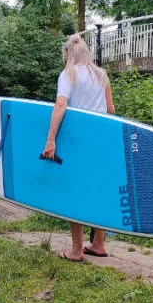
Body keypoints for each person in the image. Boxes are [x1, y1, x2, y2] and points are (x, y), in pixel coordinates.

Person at [41, 33, 114, 261]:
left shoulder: (68, 74)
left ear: (68, 55)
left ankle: (76, 250)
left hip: (79, 140)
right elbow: (111, 110)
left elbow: (61, 104)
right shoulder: (102, 75)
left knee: (75, 190)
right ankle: (99, 244)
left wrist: (51, 138)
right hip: (101, 138)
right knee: (97, 189)